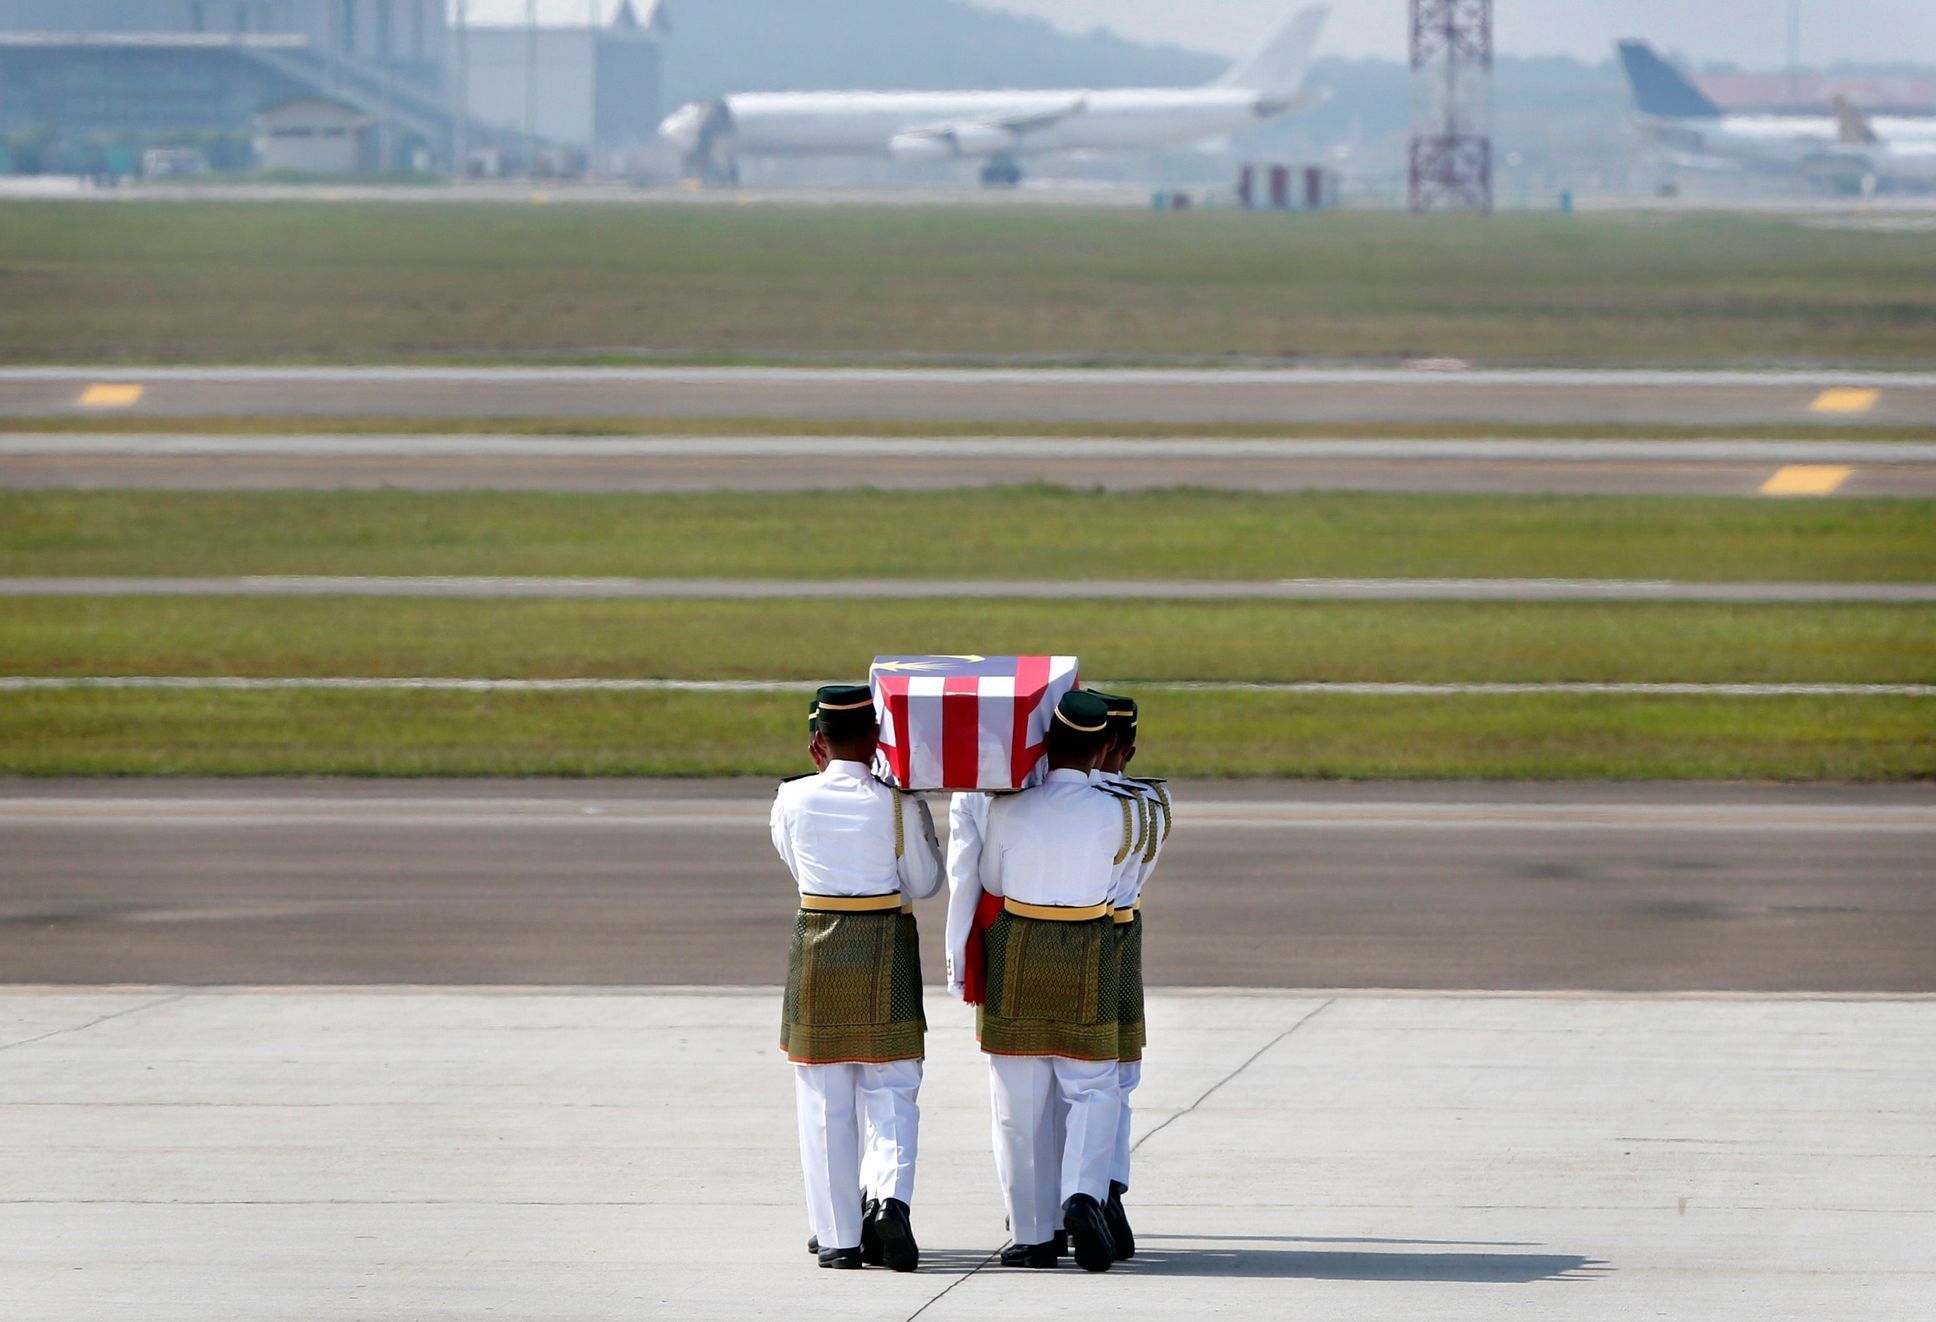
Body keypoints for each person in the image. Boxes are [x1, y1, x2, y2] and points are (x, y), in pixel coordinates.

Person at [773, 684, 943, 1271]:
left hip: (819, 944)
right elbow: (924, 883)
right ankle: (890, 1203)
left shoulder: (792, 797)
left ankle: (840, 1235)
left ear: (817, 743)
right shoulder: (897, 803)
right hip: (884, 945)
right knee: (892, 1088)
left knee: (824, 1099)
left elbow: (796, 866)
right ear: (877, 742)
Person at [971, 689, 1139, 1273]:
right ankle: (1082, 1196)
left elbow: (990, 876)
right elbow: (1120, 880)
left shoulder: (1009, 807)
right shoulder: (1120, 810)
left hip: (1018, 949)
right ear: (1102, 751)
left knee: (1017, 1104)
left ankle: (1032, 1233)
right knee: (1092, 1089)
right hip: (1087, 948)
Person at [1087, 692, 1172, 1260]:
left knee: (1074, 1083)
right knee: (1117, 1080)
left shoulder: (1091, 804)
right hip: (1124, 934)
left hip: (1083, 933)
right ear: (1127, 749)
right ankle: (1110, 1189)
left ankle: (1084, 1193)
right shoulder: (1146, 801)